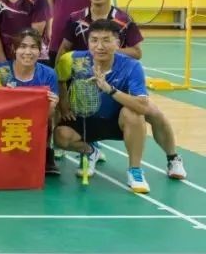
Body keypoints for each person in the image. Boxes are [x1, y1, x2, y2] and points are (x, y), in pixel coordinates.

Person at [54, 20, 153, 193]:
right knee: (60, 137)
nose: (99, 46)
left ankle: (135, 170)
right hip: (84, 119)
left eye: (106, 40)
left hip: (115, 121)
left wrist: (110, 90)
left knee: (133, 113)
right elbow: (60, 79)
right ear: (88, 42)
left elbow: (143, 106)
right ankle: (90, 151)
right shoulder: (72, 59)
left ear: (117, 43)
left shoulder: (132, 66)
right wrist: (63, 102)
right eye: (94, 40)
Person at [0, 29, 61, 175]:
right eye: (22, 46)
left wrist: (52, 105)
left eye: (33, 47)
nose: (28, 52)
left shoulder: (49, 74)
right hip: (6, 124)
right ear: (14, 49)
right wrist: (4, 96)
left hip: (35, 124)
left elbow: (49, 115)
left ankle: (47, 151)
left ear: (40, 51)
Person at [56, 0, 142, 60]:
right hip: (82, 68)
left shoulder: (125, 20)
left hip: (113, 68)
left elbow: (137, 52)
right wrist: (58, 68)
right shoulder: (75, 19)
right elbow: (64, 48)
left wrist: (110, 49)